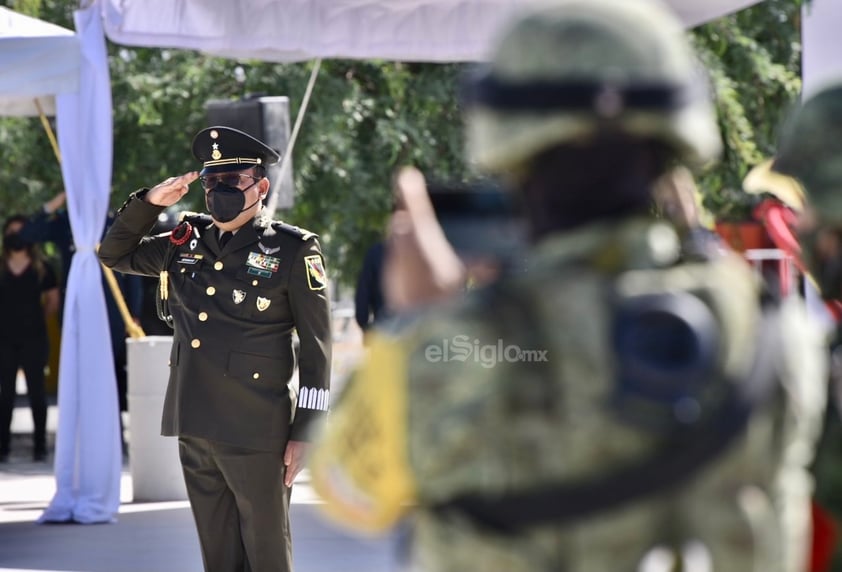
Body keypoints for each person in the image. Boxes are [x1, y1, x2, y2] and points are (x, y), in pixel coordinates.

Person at [308, 1, 828, 571]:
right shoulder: (777, 331)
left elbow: (347, 490)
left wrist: (417, 325)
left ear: (509, 144)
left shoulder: (465, 346)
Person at [98, 125, 332, 572]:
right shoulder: (186, 242)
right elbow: (114, 254)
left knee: (266, 554)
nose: (219, 190)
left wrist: (307, 429)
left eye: (232, 181)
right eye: (211, 181)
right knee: (218, 555)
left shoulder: (292, 250)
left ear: (260, 186)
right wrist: (149, 204)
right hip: (195, 420)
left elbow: (317, 350)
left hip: (256, 427)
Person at [0, 215, 60, 462]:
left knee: (37, 393)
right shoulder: (1, 267)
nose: (17, 237)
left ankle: (39, 447)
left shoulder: (42, 268)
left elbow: (53, 301)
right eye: (12, 232)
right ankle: (2, 447)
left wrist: (37, 318)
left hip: (34, 338)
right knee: (6, 394)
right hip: (4, 339)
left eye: (21, 232)